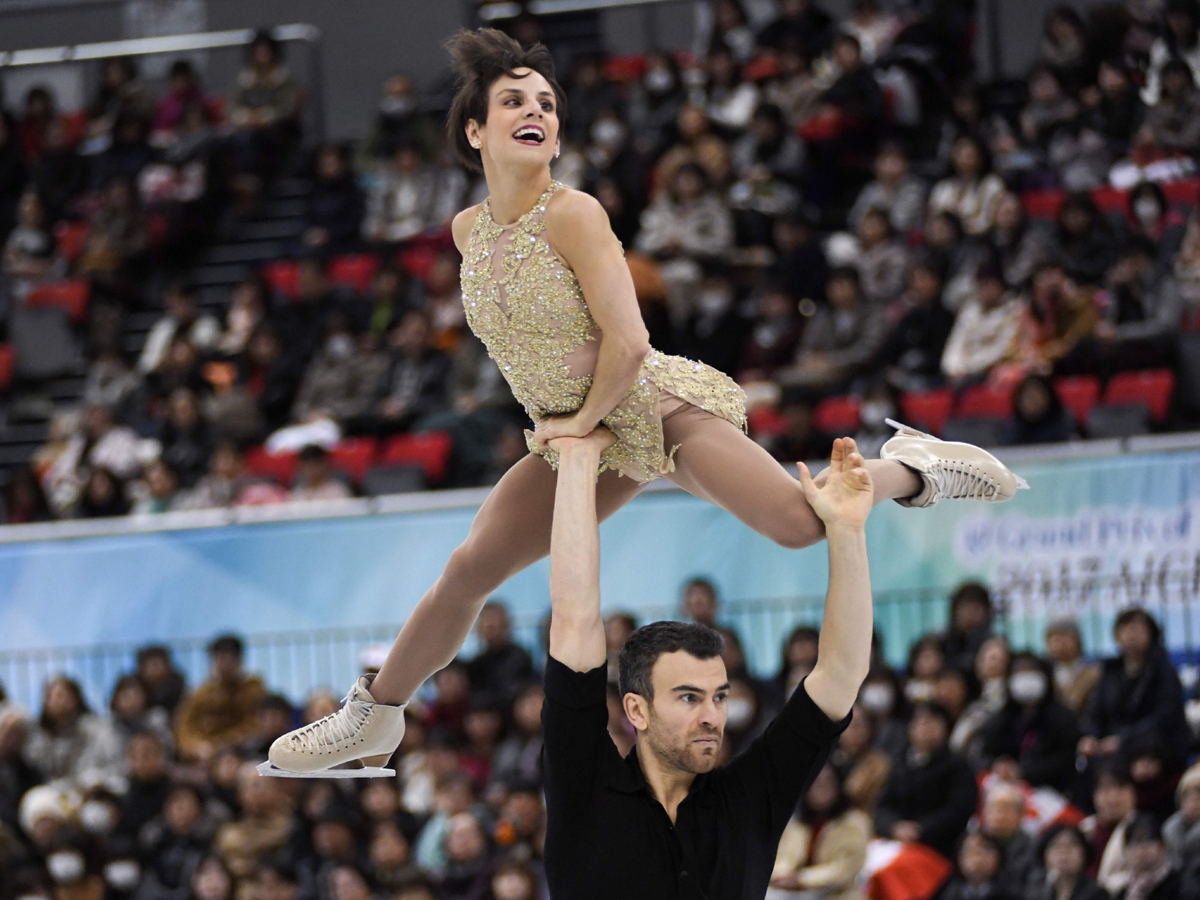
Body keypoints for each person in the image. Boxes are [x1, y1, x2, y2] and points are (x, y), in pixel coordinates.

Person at [263, 27, 1025, 778]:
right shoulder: (468, 232)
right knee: (469, 569)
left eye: (547, 103)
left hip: (649, 408)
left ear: (557, 136)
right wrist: (569, 432)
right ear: (474, 129)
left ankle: (911, 466)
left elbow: (627, 345)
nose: (536, 112)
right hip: (580, 434)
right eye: (513, 100)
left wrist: (577, 429)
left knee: (800, 524)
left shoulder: (575, 214)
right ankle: (373, 718)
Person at [534, 428, 873, 898]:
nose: (712, 716)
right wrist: (577, 458)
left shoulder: (751, 800)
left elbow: (839, 676)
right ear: (636, 710)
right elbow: (574, 620)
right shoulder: (584, 785)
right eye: (689, 697)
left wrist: (847, 531)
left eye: (719, 697)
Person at [1079, 609, 1189, 775]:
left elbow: (1165, 717)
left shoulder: (1164, 671)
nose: (1131, 636)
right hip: (1111, 744)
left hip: (1153, 746)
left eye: (1137, 630)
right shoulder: (1110, 671)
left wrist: (1123, 740)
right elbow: (1096, 710)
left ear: (1151, 634)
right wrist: (1091, 736)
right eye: (1125, 630)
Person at [874, 702, 979, 859]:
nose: (925, 727)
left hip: (937, 848)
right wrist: (893, 826)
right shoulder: (899, 763)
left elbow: (959, 810)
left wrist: (920, 829)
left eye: (932, 721)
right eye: (920, 721)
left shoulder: (957, 765)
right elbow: (883, 805)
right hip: (896, 841)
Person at [980, 651, 1081, 793]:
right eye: (1020, 673)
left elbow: (1067, 759)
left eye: (1032, 671)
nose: (1026, 678)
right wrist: (998, 765)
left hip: (1053, 791)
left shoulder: (1064, 718)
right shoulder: (1000, 720)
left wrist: (1024, 772)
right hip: (1008, 792)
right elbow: (984, 755)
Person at [768, 763, 871, 899]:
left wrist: (802, 879)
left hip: (836, 894)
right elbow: (780, 858)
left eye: (827, 782)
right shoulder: (796, 822)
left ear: (839, 786)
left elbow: (844, 869)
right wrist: (781, 876)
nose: (821, 789)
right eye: (815, 783)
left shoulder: (855, 822)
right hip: (792, 893)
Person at [174, 634, 266, 764]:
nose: (226, 665)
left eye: (231, 659)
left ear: (240, 660)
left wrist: (218, 747)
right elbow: (184, 727)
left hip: (239, 755)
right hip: (201, 757)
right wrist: (196, 747)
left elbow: (254, 726)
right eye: (221, 659)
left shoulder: (253, 690)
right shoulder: (200, 694)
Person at [1030, 824, 1110, 900]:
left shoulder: (1097, 894)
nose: (1064, 851)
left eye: (1072, 844)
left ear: (1084, 852)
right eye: (1056, 845)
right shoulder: (1039, 892)